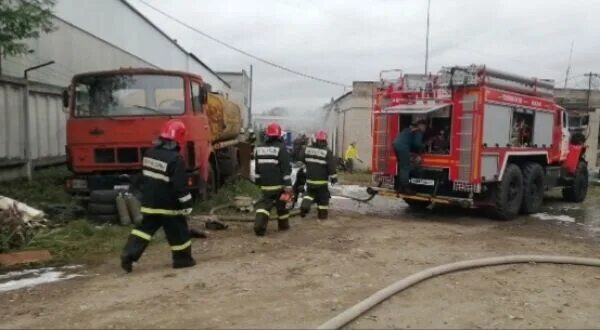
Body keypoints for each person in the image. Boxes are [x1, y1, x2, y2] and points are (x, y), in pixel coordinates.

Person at [120, 119, 195, 273]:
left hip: (150, 203)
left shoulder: (149, 153)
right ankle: (183, 260)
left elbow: (143, 177)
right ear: (179, 138)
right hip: (169, 207)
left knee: (143, 230)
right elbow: (180, 186)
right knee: (178, 233)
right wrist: (187, 205)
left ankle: (128, 254)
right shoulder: (176, 159)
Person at [253, 122, 293, 236]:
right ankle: (283, 225)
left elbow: (257, 169)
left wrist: (258, 182)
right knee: (283, 204)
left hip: (265, 186)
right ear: (279, 135)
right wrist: (288, 186)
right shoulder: (281, 148)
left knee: (265, 206)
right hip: (279, 186)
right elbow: (286, 170)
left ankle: (259, 227)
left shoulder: (259, 148)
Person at [299, 130, 337, 220]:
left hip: (310, 181)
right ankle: (322, 216)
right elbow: (331, 167)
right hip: (321, 182)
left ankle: (304, 207)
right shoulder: (327, 151)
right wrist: (334, 178)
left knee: (309, 194)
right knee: (323, 199)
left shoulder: (307, 149)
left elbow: (301, 158)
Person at [393, 120, 428, 194]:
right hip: (403, 147)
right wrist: (424, 146)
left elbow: (410, 141)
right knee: (406, 167)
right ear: (421, 126)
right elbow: (417, 144)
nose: (424, 129)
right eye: (424, 127)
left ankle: (400, 187)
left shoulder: (409, 129)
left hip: (396, 145)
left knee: (402, 167)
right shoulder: (418, 131)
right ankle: (406, 189)